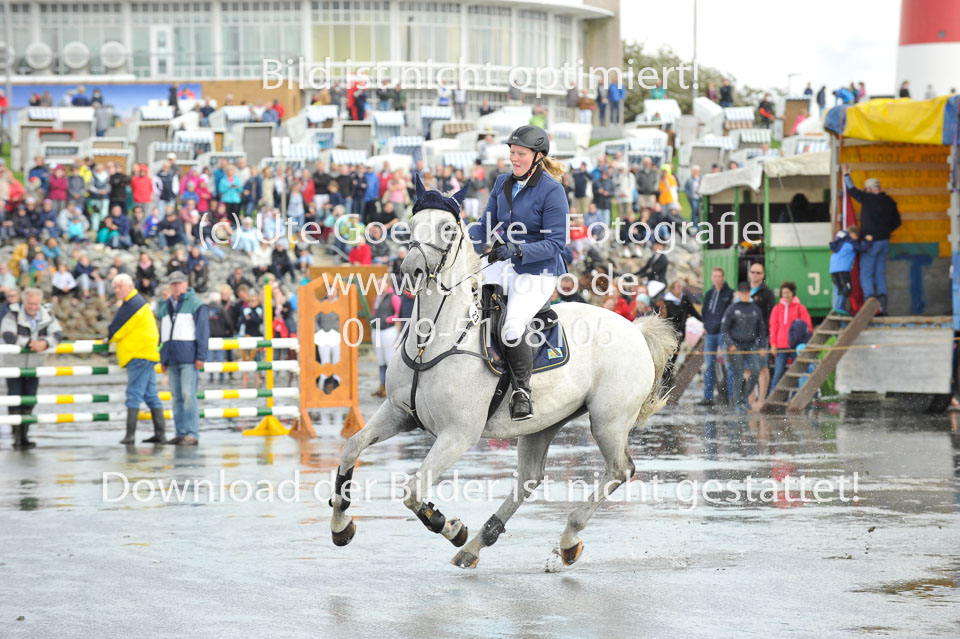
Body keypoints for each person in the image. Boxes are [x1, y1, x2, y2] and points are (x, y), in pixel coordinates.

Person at [475, 125, 569, 420]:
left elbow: (556, 243)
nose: (514, 158)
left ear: (538, 156)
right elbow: (484, 226)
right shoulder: (502, 183)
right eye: (512, 152)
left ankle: (521, 393)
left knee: (513, 326)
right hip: (503, 262)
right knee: (463, 290)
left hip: (538, 270)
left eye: (521, 154)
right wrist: (455, 236)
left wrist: (518, 250)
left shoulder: (552, 191)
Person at [108, 274, 167, 445]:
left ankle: (130, 435)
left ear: (129, 286)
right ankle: (160, 434)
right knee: (150, 395)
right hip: (147, 354)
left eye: (119, 287)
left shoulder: (132, 304)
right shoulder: (140, 302)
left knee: (134, 394)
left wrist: (109, 337)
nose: (116, 290)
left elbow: (117, 328)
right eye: (115, 287)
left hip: (138, 354)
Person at [1, 288, 62, 450]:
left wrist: (45, 343)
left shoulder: (47, 315)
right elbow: (7, 334)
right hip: (14, 365)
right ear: (24, 302)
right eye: (29, 304)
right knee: (14, 398)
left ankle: (25, 436)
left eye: (35, 304)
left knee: (30, 399)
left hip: (35, 365)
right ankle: (17, 437)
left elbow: (58, 334)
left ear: (40, 302)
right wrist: (28, 343)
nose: (33, 307)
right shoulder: (12, 313)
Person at [157, 271, 209, 446]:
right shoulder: (165, 306)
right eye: (173, 284)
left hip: (189, 357)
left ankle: (192, 433)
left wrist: (200, 356)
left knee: (188, 395)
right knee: (177, 397)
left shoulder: (196, 304)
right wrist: (163, 358)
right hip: (171, 358)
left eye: (179, 283)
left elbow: (202, 332)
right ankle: (180, 432)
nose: (176, 286)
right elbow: (162, 334)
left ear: (186, 284)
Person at [841, 165, 901, 314]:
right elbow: (897, 222)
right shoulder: (890, 201)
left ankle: (869, 307)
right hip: (885, 242)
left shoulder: (867, 199)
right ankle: (882, 307)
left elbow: (852, 190)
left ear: (868, 189)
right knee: (880, 273)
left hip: (870, 242)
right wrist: (885, 231)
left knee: (866, 273)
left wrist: (846, 175)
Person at [721, 282, 765, 414]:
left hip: (751, 345)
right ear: (739, 293)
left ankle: (745, 397)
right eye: (742, 292)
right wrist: (730, 344)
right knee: (739, 374)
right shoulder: (732, 308)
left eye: (747, 293)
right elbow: (724, 329)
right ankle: (738, 402)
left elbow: (761, 329)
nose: (745, 295)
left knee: (756, 370)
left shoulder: (755, 309)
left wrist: (762, 346)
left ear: (749, 293)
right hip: (736, 345)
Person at [768, 281, 812, 393]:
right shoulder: (777, 308)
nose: (786, 295)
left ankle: (795, 398)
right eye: (784, 293)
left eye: (788, 292)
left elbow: (808, 327)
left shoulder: (800, 308)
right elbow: (773, 326)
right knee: (778, 372)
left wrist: (804, 344)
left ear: (793, 293)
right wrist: (773, 344)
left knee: (797, 372)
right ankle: (772, 396)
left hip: (795, 346)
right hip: (780, 345)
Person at [699, 267, 734, 406]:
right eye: (715, 276)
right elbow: (705, 311)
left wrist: (725, 328)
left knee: (729, 364)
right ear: (712, 278)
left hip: (723, 333)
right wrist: (706, 326)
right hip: (710, 333)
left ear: (723, 277)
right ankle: (708, 397)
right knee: (708, 365)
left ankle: (732, 397)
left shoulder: (729, 293)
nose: (717, 278)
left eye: (719, 276)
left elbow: (730, 313)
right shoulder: (709, 293)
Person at [370, 275, 401, 398]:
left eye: (380, 284)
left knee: (389, 359)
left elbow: (398, 315)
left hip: (388, 330)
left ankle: (391, 388)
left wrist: (387, 319)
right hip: (376, 330)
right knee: (380, 359)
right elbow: (374, 311)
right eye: (377, 284)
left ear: (387, 284)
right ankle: (381, 385)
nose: (378, 286)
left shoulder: (394, 297)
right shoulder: (377, 298)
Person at [829, 226, 861, 316]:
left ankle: (839, 310)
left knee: (840, 289)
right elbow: (861, 249)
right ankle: (838, 307)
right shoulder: (850, 243)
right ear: (853, 235)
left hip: (833, 271)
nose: (856, 240)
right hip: (843, 270)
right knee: (847, 288)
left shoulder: (838, 243)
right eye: (856, 238)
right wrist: (868, 242)